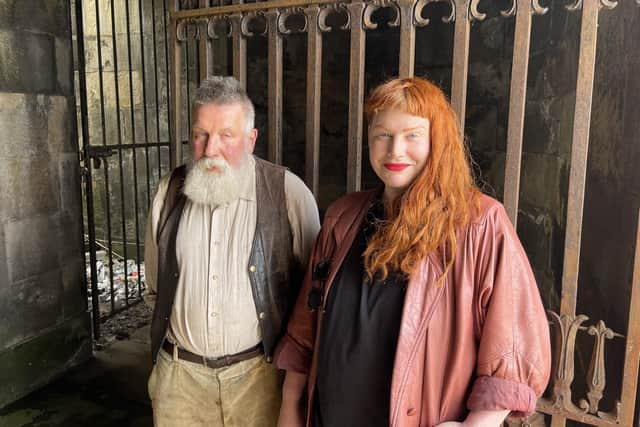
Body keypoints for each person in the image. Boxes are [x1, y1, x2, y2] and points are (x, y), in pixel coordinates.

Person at [275, 77, 551, 427]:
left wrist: (476, 426)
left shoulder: (479, 223)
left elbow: (513, 344)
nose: (395, 151)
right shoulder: (342, 217)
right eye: (383, 135)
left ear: (438, 141)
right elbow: (306, 326)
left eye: (412, 135)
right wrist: (290, 405)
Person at [144, 76, 320, 426]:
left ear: (251, 139)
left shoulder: (288, 193)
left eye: (226, 135)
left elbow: (312, 301)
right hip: (179, 383)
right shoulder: (169, 192)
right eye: (201, 135)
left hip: (260, 379)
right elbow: (155, 287)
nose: (211, 149)